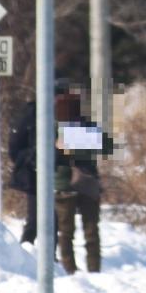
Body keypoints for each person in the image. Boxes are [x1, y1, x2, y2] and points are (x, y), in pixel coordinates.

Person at [50, 82, 109, 274]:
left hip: (69, 183)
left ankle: (74, 270)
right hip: (79, 183)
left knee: (69, 232)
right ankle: (86, 270)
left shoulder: (56, 127)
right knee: (84, 231)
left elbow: (101, 145)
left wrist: (67, 145)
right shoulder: (82, 126)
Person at [8, 96, 39, 244]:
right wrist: (28, 159)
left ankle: (53, 261)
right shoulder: (31, 114)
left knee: (56, 221)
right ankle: (26, 252)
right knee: (35, 220)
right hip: (35, 174)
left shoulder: (69, 113)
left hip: (62, 174)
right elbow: (14, 145)